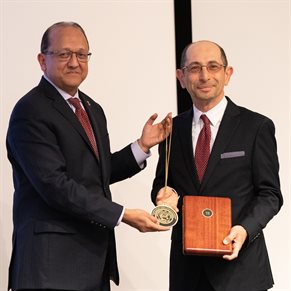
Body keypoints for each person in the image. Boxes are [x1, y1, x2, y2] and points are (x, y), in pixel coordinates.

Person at [6, 21, 172, 291]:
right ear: (42, 60)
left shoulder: (92, 108)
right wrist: (123, 214)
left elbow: (94, 173)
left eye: (82, 55)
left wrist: (142, 146)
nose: (74, 62)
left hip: (92, 262)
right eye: (64, 54)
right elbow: (54, 185)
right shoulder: (31, 110)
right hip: (50, 269)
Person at [151, 40, 283, 291]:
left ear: (227, 74)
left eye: (213, 67)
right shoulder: (172, 130)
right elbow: (163, 184)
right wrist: (163, 196)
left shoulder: (256, 127)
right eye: (194, 68)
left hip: (240, 271)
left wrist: (245, 230)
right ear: (181, 77)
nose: (204, 76)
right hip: (186, 272)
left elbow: (270, 195)